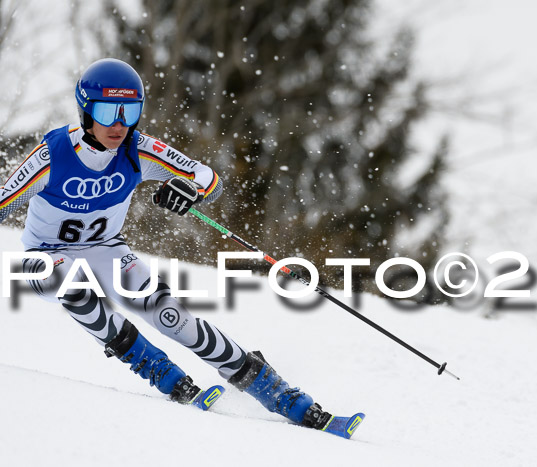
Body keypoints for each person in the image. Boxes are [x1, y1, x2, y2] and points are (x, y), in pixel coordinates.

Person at [0, 58, 333, 429]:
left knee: (171, 316)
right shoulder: (53, 154)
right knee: (68, 283)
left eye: (130, 112)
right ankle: (157, 369)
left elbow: (208, 178)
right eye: (109, 111)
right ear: (86, 111)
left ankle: (279, 393)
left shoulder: (137, 150)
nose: (118, 124)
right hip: (45, 256)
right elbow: (4, 202)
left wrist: (190, 190)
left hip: (106, 249)